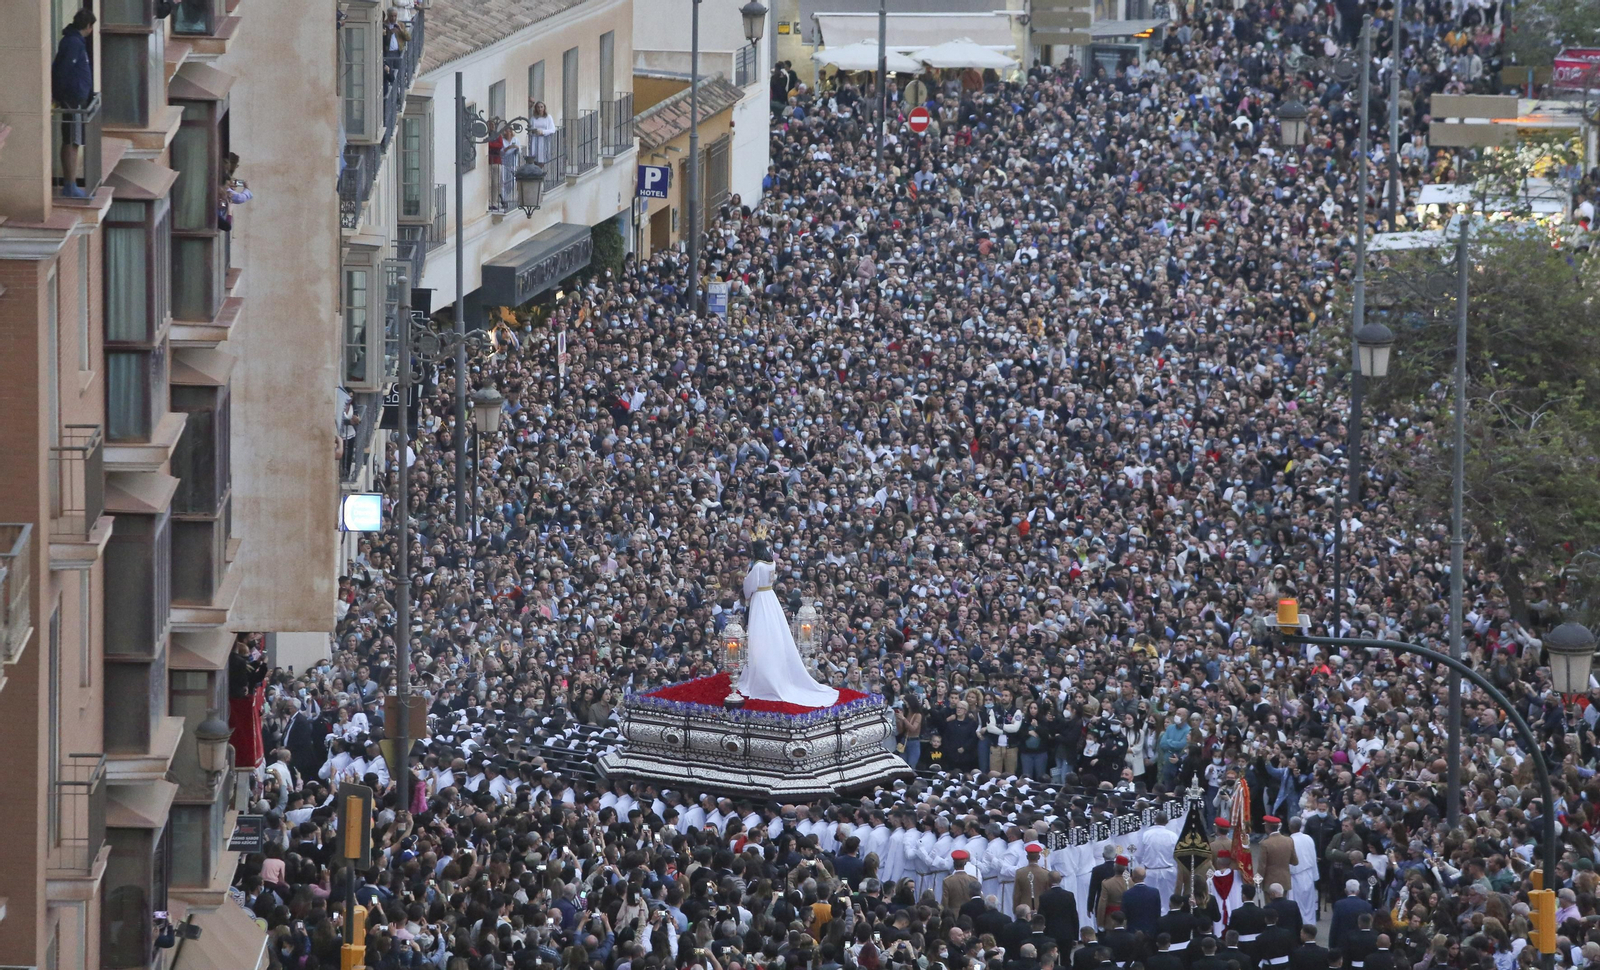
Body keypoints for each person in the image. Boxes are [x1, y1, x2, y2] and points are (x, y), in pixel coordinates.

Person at [737, 526, 838, 707]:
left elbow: (748, 586)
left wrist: (746, 585)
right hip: (771, 598)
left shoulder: (758, 565)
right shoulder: (772, 563)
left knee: (760, 634)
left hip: (760, 599)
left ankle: (762, 677)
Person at [51, 9, 95, 198]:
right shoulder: (73, 43)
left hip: (75, 98)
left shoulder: (74, 41)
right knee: (72, 141)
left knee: (73, 140)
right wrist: (61, 95)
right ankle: (70, 185)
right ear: (88, 26)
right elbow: (62, 70)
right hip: (73, 99)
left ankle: (71, 184)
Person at [1328, 879, 1375, 946]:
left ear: (1345, 891)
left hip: (1342, 942)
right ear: (1358, 891)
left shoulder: (1339, 904)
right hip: (1360, 943)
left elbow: (1335, 926)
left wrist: (1331, 944)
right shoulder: (1367, 906)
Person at [1120, 866, 1161, 940]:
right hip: (1151, 931)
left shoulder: (1127, 894)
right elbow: (1157, 913)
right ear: (1145, 876)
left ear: (1132, 877)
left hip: (1132, 932)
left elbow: (1124, 914)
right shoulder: (1154, 892)